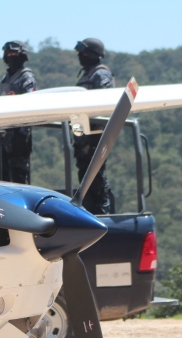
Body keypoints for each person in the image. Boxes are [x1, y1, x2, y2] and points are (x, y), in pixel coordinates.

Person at [73, 38, 115, 214]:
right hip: (83, 135)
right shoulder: (87, 75)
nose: (81, 57)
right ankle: (90, 210)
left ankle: (102, 212)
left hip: (95, 134)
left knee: (96, 176)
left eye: (84, 53)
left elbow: (104, 105)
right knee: (85, 175)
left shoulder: (101, 75)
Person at [0, 41, 37, 184]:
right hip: (1, 138)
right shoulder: (6, 78)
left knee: (19, 180)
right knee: (1, 180)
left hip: (18, 137)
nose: (11, 57)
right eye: (9, 54)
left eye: (15, 54)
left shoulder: (26, 78)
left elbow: (32, 103)